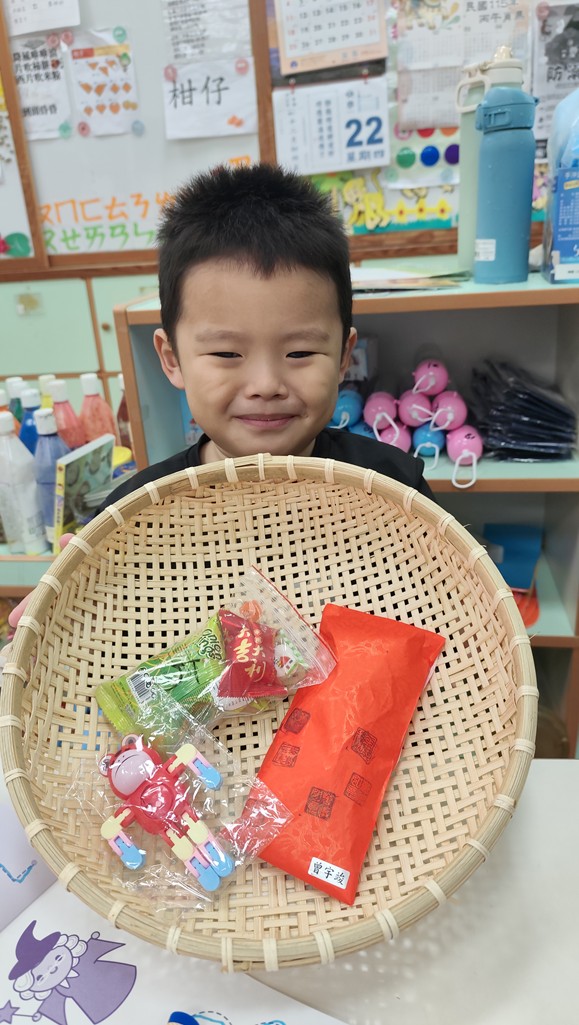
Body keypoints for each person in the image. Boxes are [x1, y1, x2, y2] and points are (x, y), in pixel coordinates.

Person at [7, 163, 433, 634]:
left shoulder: (395, 487)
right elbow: (122, 648)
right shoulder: (139, 514)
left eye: (300, 352)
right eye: (227, 353)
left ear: (343, 358)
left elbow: (443, 614)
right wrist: (77, 610)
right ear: (172, 359)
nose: (265, 384)